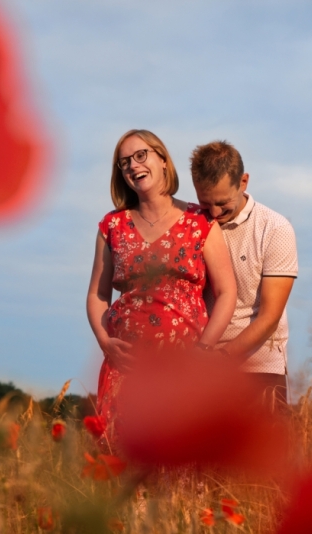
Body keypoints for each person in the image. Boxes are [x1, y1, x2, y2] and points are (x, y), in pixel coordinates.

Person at [87, 130, 236, 435]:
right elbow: (97, 295)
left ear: (163, 160)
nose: (132, 165)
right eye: (124, 162)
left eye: (141, 155)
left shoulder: (200, 221)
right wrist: (105, 343)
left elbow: (226, 292)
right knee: (123, 466)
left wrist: (203, 350)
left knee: (179, 465)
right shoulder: (112, 225)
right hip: (126, 369)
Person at [190, 141, 298, 405]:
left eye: (222, 203)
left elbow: (270, 316)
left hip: (260, 367)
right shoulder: (191, 226)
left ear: (244, 182)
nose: (214, 213)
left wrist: (222, 358)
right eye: (205, 204)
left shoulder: (275, 228)